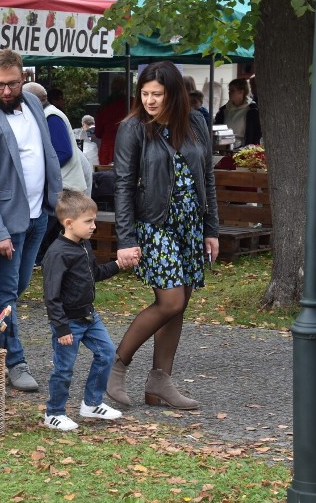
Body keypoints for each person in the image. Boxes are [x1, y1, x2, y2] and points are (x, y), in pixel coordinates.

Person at [106, 61, 219, 410]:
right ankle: (115, 369)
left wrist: (210, 228)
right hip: (155, 224)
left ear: (174, 94)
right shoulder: (134, 127)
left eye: (158, 93)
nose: (150, 100)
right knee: (169, 301)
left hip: (190, 226)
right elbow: (123, 185)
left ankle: (159, 382)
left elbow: (208, 177)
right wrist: (126, 239)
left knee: (180, 304)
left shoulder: (196, 121)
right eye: (145, 93)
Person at [0, 49, 62, 392]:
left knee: (16, 288)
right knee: (7, 294)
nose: (7, 91)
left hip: (39, 215)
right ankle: (14, 361)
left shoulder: (34, 104)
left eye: (14, 84)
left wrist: (57, 201)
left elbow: (47, 153)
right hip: (6, 223)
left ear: (25, 79)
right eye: (0, 85)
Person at [42, 190, 127, 431]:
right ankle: (54, 413)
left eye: (94, 220)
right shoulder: (58, 254)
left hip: (89, 317)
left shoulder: (84, 246)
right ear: (69, 223)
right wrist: (61, 327)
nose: (94, 226)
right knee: (64, 368)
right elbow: (51, 295)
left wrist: (118, 265)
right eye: (88, 221)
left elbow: (95, 274)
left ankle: (92, 403)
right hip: (68, 323)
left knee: (107, 353)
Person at [22, 81, 85, 266]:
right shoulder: (47, 115)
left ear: (34, 100)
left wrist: (39, 170)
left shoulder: (52, 117)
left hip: (65, 187)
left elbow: (63, 152)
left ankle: (33, 264)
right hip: (62, 186)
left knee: (42, 233)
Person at [213, 78, 261, 148]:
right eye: (229, 91)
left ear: (241, 92)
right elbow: (217, 129)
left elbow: (257, 133)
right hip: (225, 148)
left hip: (245, 149)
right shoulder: (224, 110)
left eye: (232, 91)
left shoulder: (252, 110)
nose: (229, 93)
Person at [94, 76, 127, 165]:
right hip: (127, 146)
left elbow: (98, 132)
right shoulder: (132, 104)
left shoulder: (105, 106)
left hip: (108, 147)